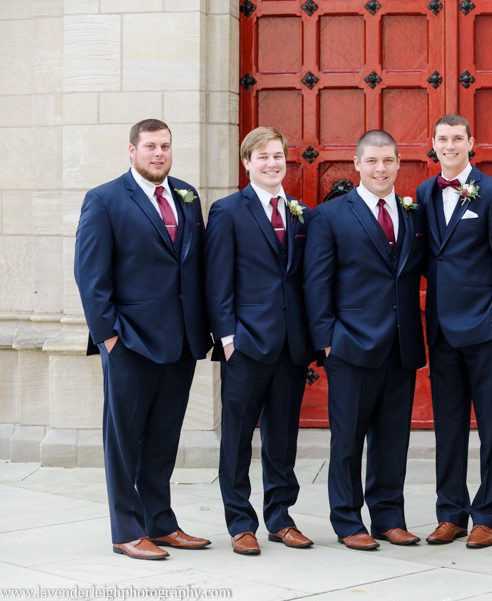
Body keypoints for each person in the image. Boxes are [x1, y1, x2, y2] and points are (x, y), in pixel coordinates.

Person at [74, 119, 212, 560]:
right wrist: (108, 338)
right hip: (130, 342)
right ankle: (127, 531)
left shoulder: (188, 197)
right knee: (124, 439)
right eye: (150, 146)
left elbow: (194, 267)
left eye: (165, 146)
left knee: (163, 438)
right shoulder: (105, 199)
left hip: (181, 341)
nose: (159, 154)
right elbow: (90, 276)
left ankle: (161, 523)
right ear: (131, 150)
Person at [303, 130, 427, 551]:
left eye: (388, 161)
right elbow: (317, 281)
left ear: (398, 164)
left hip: (401, 344)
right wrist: (326, 340)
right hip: (350, 345)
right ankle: (347, 519)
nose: (380, 169)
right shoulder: (332, 215)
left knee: (393, 438)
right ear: (356, 164)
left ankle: (389, 517)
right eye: (372, 161)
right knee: (348, 439)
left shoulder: (412, 213)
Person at [204, 126, 315, 555]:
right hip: (246, 344)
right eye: (262, 156)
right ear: (246, 162)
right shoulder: (228, 211)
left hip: (289, 346)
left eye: (277, 156)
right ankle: (240, 521)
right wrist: (228, 338)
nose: (272, 163)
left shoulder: (301, 211)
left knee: (282, 436)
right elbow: (218, 281)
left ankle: (280, 517)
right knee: (236, 437)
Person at [417, 114, 492, 549]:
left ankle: (488, 514)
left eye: (457, 138)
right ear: (434, 144)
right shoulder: (422, 193)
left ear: (471, 143)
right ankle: (451, 512)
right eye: (442, 138)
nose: (450, 145)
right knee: (449, 426)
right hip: (440, 327)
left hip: (483, 327)